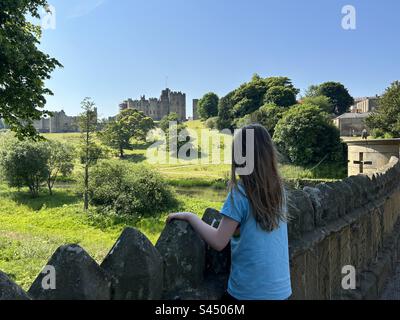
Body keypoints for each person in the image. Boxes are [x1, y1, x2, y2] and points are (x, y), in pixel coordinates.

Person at [167, 124, 292, 300]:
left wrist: (190, 216)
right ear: (269, 154)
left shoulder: (240, 192)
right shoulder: (279, 190)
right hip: (282, 291)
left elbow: (219, 242)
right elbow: (256, 225)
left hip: (249, 294)